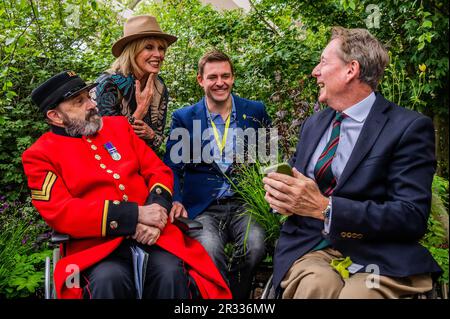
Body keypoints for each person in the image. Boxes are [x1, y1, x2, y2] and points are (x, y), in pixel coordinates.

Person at [263, 27, 442, 299]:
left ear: (351, 70)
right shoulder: (314, 124)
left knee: (357, 296)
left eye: (323, 62)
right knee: (316, 287)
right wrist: (283, 196)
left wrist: (327, 209)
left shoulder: (409, 128)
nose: (315, 71)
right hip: (311, 247)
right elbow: (298, 182)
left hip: (380, 255)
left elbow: (411, 216)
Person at [22, 70, 231, 299]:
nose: (92, 105)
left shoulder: (119, 127)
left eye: (89, 97)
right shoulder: (39, 155)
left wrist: (158, 211)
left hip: (155, 235)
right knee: (109, 279)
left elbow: (158, 171)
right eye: (79, 102)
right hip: (95, 247)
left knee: (171, 273)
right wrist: (134, 217)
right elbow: (61, 212)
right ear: (55, 116)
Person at [164, 50, 270, 299]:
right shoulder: (184, 117)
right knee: (210, 251)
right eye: (212, 77)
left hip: (245, 202)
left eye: (226, 75)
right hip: (204, 205)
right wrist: (176, 199)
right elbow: (172, 166)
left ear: (233, 78)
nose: (220, 82)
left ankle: (235, 297)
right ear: (200, 80)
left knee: (255, 246)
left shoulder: (255, 111)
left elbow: (267, 157)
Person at [95, 15, 176, 151]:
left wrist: (150, 135)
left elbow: (158, 141)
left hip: (146, 162)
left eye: (161, 48)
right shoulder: (107, 84)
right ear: (132, 51)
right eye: (149, 47)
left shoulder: (159, 86)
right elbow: (108, 144)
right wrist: (140, 110)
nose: (158, 54)